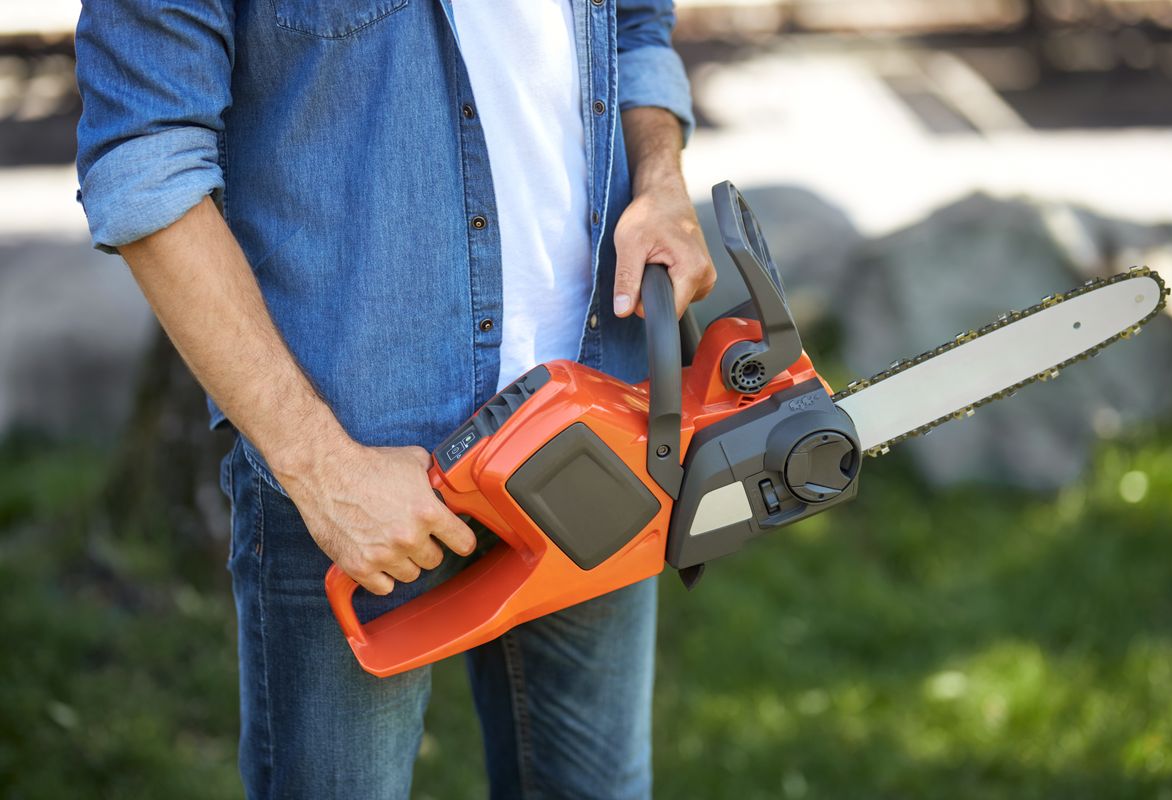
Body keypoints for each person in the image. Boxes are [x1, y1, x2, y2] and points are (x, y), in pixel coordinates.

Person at [74, 0, 715, 797]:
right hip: (357, 469)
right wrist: (319, 467)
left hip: (600, 415)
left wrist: (660, 178)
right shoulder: (336, 473)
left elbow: (635, 25)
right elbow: (145, 156)